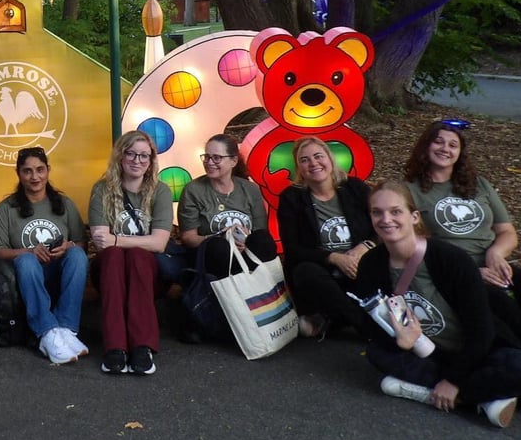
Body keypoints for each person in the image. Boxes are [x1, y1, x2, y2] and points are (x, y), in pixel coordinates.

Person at [353, 179, 521, 428]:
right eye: (377, 212)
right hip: (428, 354)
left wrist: (453, 382)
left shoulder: (450, 260)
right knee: (377, 354)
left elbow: (482, 333)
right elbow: (370, 325)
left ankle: (439, 395)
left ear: (414, 216)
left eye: (396, 211)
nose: (386, 219)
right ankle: (481, 399)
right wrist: (400, 341)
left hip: (477, 351)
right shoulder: (370, 265)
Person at [405, 119, 521, 351]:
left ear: (460, 153)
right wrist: (470, 273)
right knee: (510, 314)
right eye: (438, 142)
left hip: (494, 266)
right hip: (454, 273)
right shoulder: (408, 190)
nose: (445, 149)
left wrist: (496, 254)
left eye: (453, 145)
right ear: (425, 147)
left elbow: (506, 231)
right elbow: (412, 247)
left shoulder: (479, 185)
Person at [0, 146, 88, 365]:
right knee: (26, 260)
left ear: (48, 170)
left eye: (40, 170)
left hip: (58, 273)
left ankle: (66, 330)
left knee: (77, 255)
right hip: (26, 279)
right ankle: (47, 332)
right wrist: (29, 251)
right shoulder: (7, 208)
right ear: (18, 173)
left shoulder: (63, 204)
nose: (34, 177)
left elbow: (82, 242)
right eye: (27, 171)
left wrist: (68, 245)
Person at [87, 130, 172, 375]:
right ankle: (115, 347)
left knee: (137, 256)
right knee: (114, 257)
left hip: (146, 273)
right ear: (120, 156)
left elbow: (159, 244)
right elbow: (101, 242)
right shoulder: (102, 189)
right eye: (131, 154)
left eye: (144, 156)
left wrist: (117, 239)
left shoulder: (160, 191)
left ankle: (142, 347)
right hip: (109, 272)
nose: (137, 161)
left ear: (151, 161)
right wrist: (125, 242)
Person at [177, 134, 276, 342]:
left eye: (216, 158)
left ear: (233, 161)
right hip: (213, 256)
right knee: (219, 247)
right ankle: (238, 318)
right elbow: (188, 238)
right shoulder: (194, 190)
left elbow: (260, 232)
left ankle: (270, 308)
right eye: (206, 157)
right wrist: (222, 238)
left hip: (246, 253)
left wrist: (244, 242)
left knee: (263, 241)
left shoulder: (248, 189)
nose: (209, 163)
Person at [276, 137, 375, 338]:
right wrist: (333, 257)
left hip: (361, 263)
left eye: (318, 156)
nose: (313, 163)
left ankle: (331, 318)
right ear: (299, 168)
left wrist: (365, 246)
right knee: (304, 271)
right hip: (323, 271)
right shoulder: (291, 197)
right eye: (304, 160)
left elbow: (383, 225)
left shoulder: (355, 188)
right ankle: (366, 326)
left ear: (330, 159)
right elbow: (292, 249)